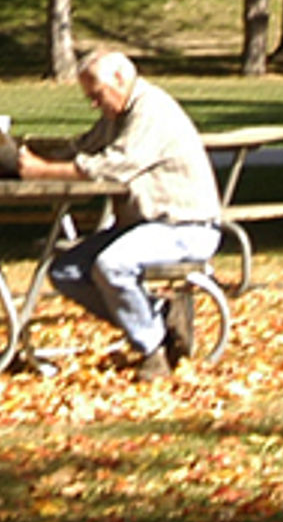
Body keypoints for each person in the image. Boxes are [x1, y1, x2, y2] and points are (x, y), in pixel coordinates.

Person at [15, 46, 223, 381]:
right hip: (144, 227)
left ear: (120, 78)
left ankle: (151, 350)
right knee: (66, 270)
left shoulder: (150, 112)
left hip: (185, 227)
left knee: (112, 264)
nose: (95, 104)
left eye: (97, 95)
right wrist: (26, 153)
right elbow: (82, 147)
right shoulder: (116, 115)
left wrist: (43, 171)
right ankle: (161, 317)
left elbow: (114, 166)